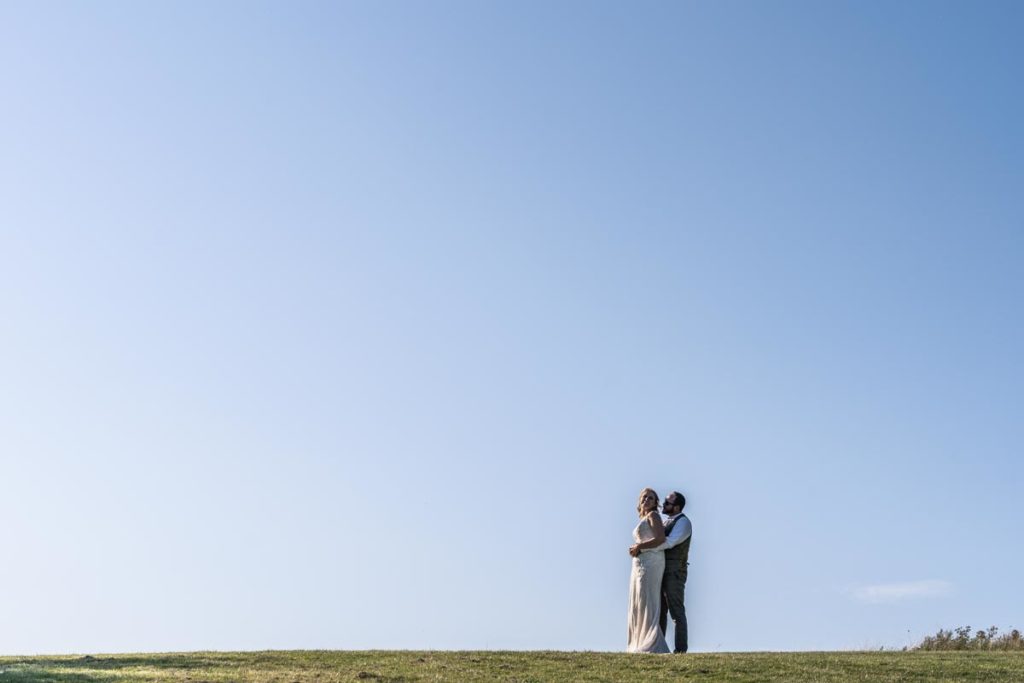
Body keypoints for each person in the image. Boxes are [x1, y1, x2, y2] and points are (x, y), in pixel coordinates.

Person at [626, 488, 670, 653]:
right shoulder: (644, 518)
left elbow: (660, 539)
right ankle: (638, 642)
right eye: (644, 497)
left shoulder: (653, 516)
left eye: (651, 498)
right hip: (639, 563)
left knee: (648, 601)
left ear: (655, 503)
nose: (647, 500)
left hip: (652, 562)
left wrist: (639, 546)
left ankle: (651, 643)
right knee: (639, 601)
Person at [656, 491, 692, 653]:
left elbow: (670, 542)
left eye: (667, 503)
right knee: (660, 611)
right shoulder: (666, 521)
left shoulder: (683, 523)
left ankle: (680, 649)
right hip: (661, 570)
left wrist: (645, 548)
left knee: (676, 611)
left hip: (675, 571)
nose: (664, 504)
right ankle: (659, 647)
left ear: (677, 507)